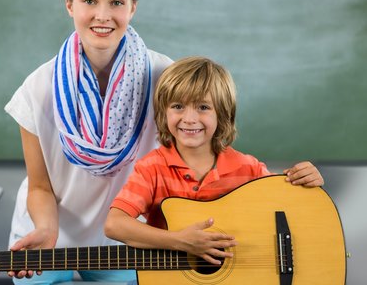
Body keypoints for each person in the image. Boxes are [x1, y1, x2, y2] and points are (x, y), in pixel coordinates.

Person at [4, 0, 172, 284]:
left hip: (126, 240)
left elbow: (194, 163)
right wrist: (47, 230)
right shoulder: (38, 87)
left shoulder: (164, 78)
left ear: (133, 6)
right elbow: (39, 186)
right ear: (70, 4)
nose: (103, 15)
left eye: (117, 2)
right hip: (49, 239)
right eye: (89, 0)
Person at [104, 56, 324, 265]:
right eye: (178, 106)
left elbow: (293, 210)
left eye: (203, 107)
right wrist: (180, 241)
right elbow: (115, 225)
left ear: (223, 113)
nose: (189, 119)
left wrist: (308, 182)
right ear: (163, 112)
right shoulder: (151, 168)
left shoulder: (249, 168)